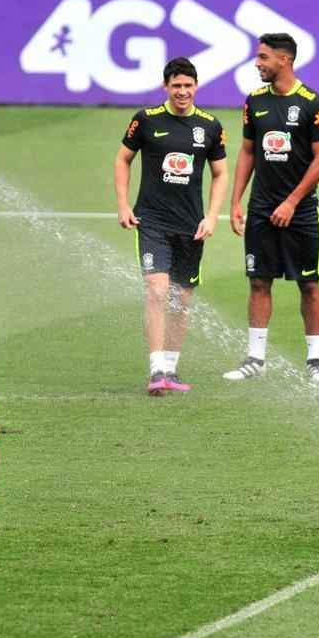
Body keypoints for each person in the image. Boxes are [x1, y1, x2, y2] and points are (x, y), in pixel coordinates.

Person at [223, 32, 319, 384]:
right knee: (258, 281)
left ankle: (315, 361)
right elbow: (247, 152)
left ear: (284, 60)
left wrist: (291, 201)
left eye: (263, 57)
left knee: (309, 284)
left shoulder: (312, 103)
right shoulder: (254, 101)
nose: (258, 63)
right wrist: (236, 200)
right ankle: (256, 359)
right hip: (260, 209)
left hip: (299, 211)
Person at [114, 56, 228, 396]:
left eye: (188, 85)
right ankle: (156, 371)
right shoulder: (146, 120)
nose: (182, 91)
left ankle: (172, 370)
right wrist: (123, 205)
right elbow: (123, 158)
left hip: (191, 227)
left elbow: (220, 173)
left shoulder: (210, 126)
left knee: (181, 300)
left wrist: (212, 215)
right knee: (157, 291)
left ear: (196, 86)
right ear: (166, 87)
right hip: (152, 221)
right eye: (176, 85)